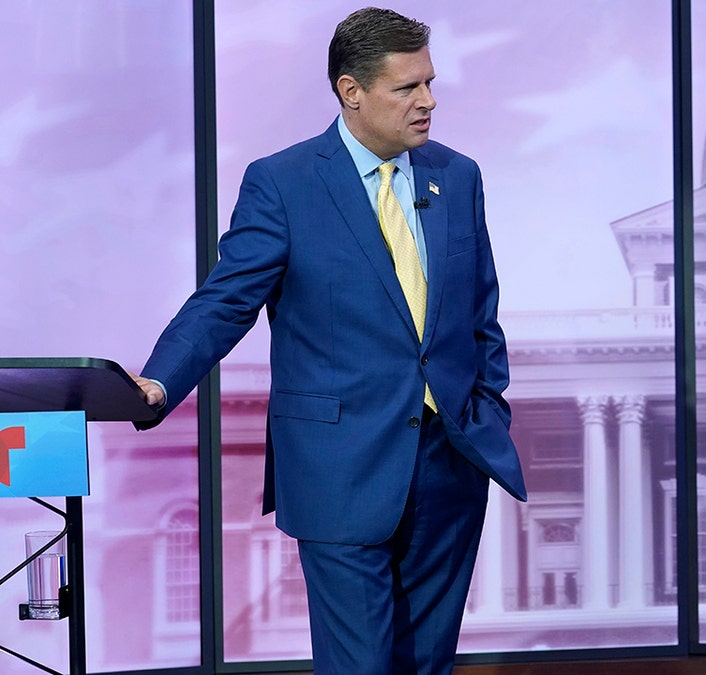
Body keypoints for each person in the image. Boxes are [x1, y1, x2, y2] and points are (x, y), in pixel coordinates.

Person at [131, 8, 525, 674]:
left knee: (425, 665)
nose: (428, 101)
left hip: (449, 465)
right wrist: (159, 380)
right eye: (408, 88)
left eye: (429, 82)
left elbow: (480, 314)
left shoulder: (457, 177)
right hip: (341, 468)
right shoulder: (283, 184)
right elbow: (225, 301)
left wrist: (486, 409)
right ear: (352, 91)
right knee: (360, 666)